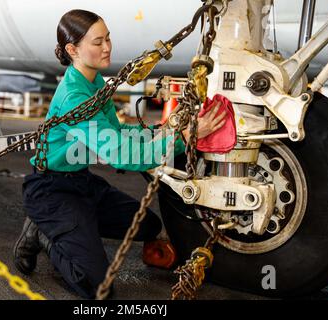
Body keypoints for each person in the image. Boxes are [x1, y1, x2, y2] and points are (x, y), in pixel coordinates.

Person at [13, 9, 226, 299]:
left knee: (149, 226)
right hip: (53, 190)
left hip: (81, 182)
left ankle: (70, 227)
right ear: (73, 50)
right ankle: (43, 233)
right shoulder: (75, 96)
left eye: (108, 38)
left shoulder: (95, 83)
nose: (107, 47)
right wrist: (183, 138)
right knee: (97, 286)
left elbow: (118, 133)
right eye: (98, 42)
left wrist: (167, 132)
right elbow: (119, 154)